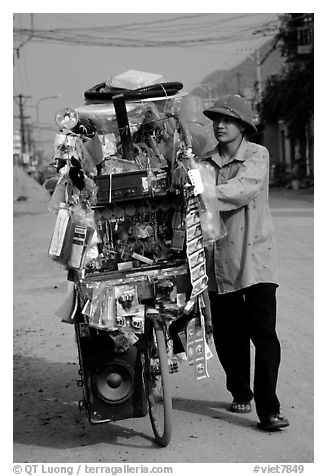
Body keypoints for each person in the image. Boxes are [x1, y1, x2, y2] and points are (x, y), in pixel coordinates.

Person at [200, 94, 289, 431]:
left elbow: (242, 189)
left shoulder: (257, 154)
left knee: (265, 336)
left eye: (228, 119)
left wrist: (201, 193)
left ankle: (269, 409)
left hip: (256, 261)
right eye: (216, 120)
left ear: (243, 126)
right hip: (219, 262)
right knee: (228, 335)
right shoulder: (204, 164)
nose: (220, 125)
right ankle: (240, 390)